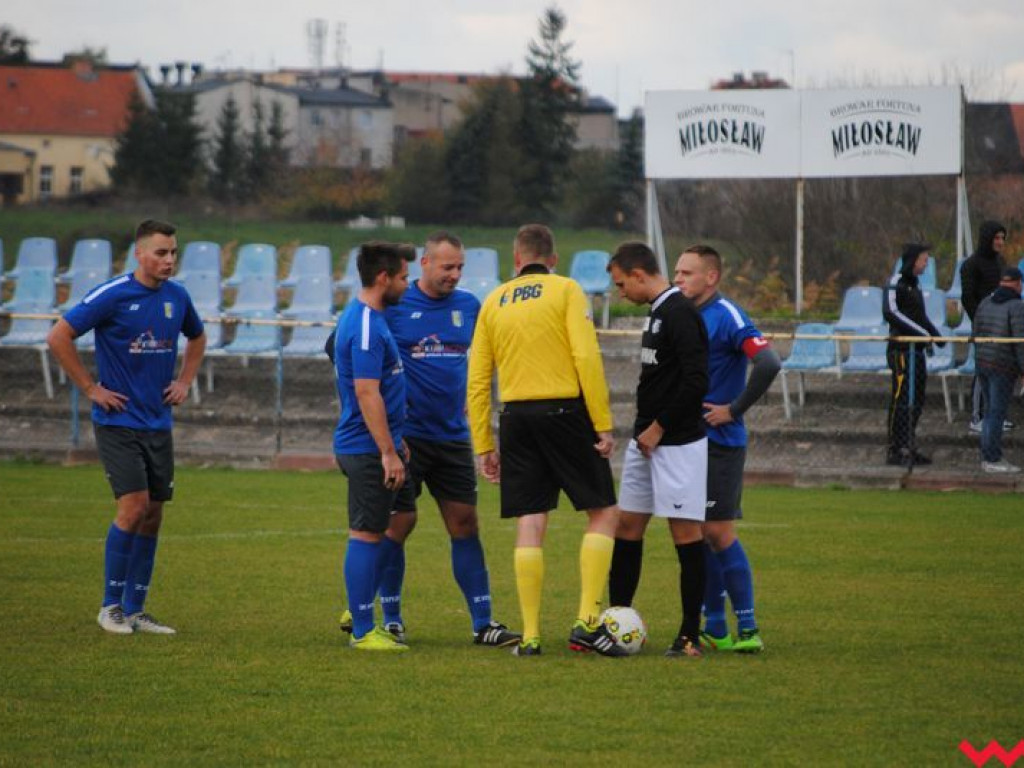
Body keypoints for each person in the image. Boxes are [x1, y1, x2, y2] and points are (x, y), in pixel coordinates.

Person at [334, 232, 520, 648]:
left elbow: (483, 367)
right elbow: (344, 356)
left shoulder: (469, 307)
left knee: (465, 524)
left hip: (452, 437)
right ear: (424, 265)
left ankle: (483, 622)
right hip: (407, 439)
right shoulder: (390, 309)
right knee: (397, 524)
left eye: (460, 268)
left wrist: (481, 428)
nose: (454, 275)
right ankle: (386, 615)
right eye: (447, 267)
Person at [467, 224, 621, 657]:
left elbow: (477, 381)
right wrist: (602, 422)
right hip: (565, 411)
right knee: (604, 513)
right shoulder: (567, 290)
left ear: (515, 260)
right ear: (552, 260)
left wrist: (483, 444)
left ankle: (532, 636)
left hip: (515, 417)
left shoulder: (494, 300)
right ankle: (586, 622)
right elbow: (586, 356)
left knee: (530, 522)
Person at [46, 219, 206, 635]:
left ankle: (136, 609)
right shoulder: (112, 295)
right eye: (160, 253)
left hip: (158, 421)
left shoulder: (177, 297)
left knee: (153, 514)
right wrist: (90, 387)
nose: (169, 260)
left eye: (173, 252)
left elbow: (199, 337)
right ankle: (110, 607)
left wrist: (185, 380)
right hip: (118, 421)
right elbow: (58, 336)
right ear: (139, 254)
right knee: (133, 508)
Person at [671, 244, 780, 654]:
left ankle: (748, 627)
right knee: (697, 535)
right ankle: (715, 626)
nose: (678, 279)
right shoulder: (680, 315)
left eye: (686, 273)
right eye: (676, 272)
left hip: (719, 444)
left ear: (711, 277)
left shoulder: (728, 315)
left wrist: (733, 410)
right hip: (684, 443)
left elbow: (768, 361)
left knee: (717, 531)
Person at [605, 242, 710, 658]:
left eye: (619, 284)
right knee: (627, 526)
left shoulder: (681, 312)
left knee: (685, 533)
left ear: (638, 274)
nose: (620, 293)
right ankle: (616, 622)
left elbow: (697, 381)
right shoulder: (658, 312)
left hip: (677, 443)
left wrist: (660, 427)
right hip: (645, 441)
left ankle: (689, 636)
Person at [332, 241, 415, 652]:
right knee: (366, 534)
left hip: (378, 443)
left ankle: (364, 616)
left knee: (393, 523)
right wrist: (386, 450)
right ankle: (364, 630)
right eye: (403, 277)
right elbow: (366, 392)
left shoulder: (372, 318)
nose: (407, 283)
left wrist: (395, 439)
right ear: (383, 278)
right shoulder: (365, 324)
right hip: (366, 449)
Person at [882, 243, 945, 466]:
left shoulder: (915, 284)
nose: (926, 264)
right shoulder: (895, 282)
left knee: (916, 400)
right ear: (912, 260)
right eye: (923, 260)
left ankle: (908, 444)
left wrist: (935, 335)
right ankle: (895, 448)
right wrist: (922, 334)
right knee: (901, 399)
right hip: (901, 350)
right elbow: (891, 313)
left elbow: (920, 316)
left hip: (916, 350)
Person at [972, 267, 1024, 473]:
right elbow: (1020, 341)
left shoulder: (985, 302)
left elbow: (976, 331)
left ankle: (988, 456)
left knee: (989, 412)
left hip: (983, 362)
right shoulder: (1017, 306)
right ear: (1018, 283)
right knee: (996, 412)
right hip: (1002, 366)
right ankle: (992, 458)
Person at [960, 221, 1009, 432]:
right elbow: (967, 298)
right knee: (983, 373)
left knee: (1002, 372)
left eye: (1002, 238)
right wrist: (980, 321)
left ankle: (997, 415)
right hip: (984, 328)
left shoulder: (999, 262)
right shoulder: (971, 265)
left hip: (1002, 327)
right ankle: (977, 417)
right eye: (996, 238)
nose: (1000, 242)